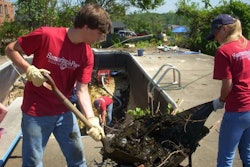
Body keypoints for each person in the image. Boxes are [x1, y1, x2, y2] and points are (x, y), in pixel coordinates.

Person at [5, 3, 111, 167]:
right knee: (32, 163)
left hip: (65, 112)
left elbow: (82, 90)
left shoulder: (87, 54)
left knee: (78, 161)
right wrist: (29, 69)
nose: (100, 38)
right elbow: (10, 49)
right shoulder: (46, 35)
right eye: (99, 33)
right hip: (36, 113)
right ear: (86, 27)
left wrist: (91, 119)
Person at [208, 14, 250, 167]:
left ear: (224, 29)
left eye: (216, 34)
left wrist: (220, 100)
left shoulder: (224, 51)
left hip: (237, 111)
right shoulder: (249, 44)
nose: (216, 38)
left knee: (226, 157)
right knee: (247, 152)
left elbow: (228, 85)